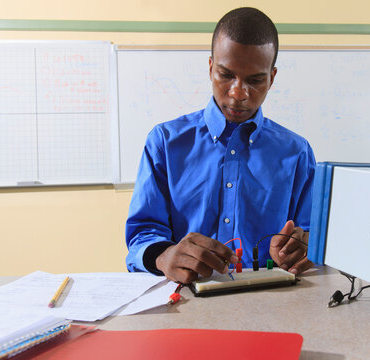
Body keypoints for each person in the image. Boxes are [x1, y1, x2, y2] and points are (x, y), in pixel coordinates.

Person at [125, 7, 316, 284]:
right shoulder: (165, 142)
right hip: (186, 299)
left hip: (272, 301)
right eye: (226, 75)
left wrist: (304, 246)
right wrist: (164, 255)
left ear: (272, 78)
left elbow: (313, 235)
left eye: (255, 80)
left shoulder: (296, 152)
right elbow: (143, 233)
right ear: (211, 67)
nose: (238, 93)